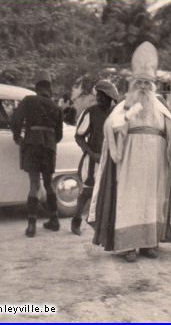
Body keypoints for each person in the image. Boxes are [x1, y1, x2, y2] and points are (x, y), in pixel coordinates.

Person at [87, 41, 171, 262]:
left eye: (147, 83)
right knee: (130, 200)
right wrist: (127, 118)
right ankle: (127, 246)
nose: (143, 86)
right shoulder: (125, 105)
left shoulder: (160, 106)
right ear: (133, 84)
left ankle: (149, 243)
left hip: (155, 163)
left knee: (151, 200)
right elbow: (110, 127)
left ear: (153, 85)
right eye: (139, 82)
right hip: (130, 162)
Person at [11, 77, 63, 238]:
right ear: (49, 90)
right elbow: (59, 135)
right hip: (49, 146)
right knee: (48, 184)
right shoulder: (56, 107)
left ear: (37, 89)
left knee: (34, 184)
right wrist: (49, 141)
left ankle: (31, 225)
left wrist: (17, 137)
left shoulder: (29, 100)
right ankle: (54, 220)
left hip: (32, 143)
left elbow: (15, 120)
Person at [70, 80, 119, 235]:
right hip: (93, 159)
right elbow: (79, 137)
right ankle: (76, 221)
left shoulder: (116, 114)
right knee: (87, 192)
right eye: (99, 95)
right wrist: (91, 154)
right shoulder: (90, 112)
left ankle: (104, 224)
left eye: (104, 96)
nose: (100, 99)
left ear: (110, 98)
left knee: (109, 191)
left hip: (111, 159)